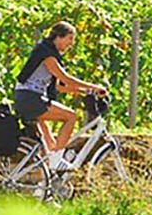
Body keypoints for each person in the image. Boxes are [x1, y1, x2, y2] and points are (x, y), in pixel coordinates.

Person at [13, 22, 108, 170]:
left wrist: (86, 92)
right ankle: (57, 161)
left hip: (27, 98)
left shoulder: (46, 51)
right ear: (58, 37)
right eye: (70, 38)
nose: (72, 43)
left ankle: (45, 183)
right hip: (30, 98)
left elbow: (58, 86)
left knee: (51, 145)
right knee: (71, 117)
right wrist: (95, 87)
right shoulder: (47, 55)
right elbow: (66, 79)